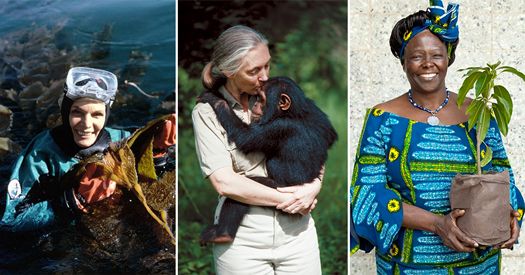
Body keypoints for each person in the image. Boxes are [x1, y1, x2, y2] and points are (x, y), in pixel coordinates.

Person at [350, 1, 524, 274]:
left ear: (449, 58)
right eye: (417, 56)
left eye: (437, 55)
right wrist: (436, 223)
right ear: (403, 61)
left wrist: (511, 215)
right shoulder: (381, 118)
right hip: (410, 265)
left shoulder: (477, 112)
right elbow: (367, 194)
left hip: (477, 263)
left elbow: (502, 175)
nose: (428, 63)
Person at [192, 25, 323, 274]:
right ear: (230, 71)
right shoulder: (206, 112)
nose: (265, 77)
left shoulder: (279, 96)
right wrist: (292, 199)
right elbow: (225, 182)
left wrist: (315, 184)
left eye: (267, 66)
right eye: (254, 71)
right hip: (243, 240)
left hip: (298, 234)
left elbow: (313, 139)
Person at [1, 66, 175, 231]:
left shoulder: (123, 141)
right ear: (65, 111)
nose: (86, 125)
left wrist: (157, 152)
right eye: (77, 112)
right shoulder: (39, 156)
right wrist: (74, 200)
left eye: (97, 114)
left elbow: (154, 186)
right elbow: (11, 220)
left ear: (106, 115)